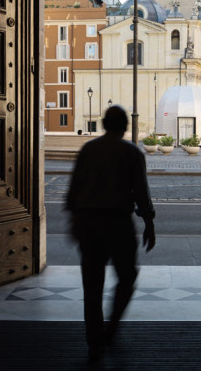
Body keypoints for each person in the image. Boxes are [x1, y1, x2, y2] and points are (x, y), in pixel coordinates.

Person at [67, 105, 156, 363]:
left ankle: (94, 341)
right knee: (127, 277)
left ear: (104, 124)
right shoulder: (132, 153)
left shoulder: (88, 150)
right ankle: (112, 328)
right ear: (126, 126)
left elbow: (74, 189)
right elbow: (141, 192)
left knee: (92, 286)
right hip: (119, 225)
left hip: (89, 224)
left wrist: (75, 222)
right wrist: (149, 224)